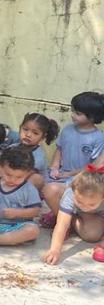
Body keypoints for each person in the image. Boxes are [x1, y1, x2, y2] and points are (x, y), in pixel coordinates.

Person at [42, 92, 104, 222]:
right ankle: (60, 216)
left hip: (80, 178)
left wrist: (70, 173)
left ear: (92, 117)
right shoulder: (67, 129)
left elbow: (93, 166)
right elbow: (59, 149)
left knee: (52, 191)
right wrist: (54, 167)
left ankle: (65, 220)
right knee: (43, 188)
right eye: (73, 111)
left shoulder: (98, 138)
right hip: (62, 174)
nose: (73, 115)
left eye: (78, 113)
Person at [42, 168, 104, 266]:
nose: (84, 207)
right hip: (74, 204)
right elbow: (62, 225)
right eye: (79, 201)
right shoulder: (70, 195)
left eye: (91, 204)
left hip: (95, 214)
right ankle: (64, 213)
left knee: (91, 235)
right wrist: (55, 250)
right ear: (73, 193)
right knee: (51, 191)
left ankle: (68, 214)